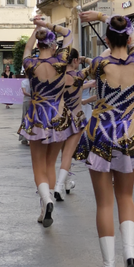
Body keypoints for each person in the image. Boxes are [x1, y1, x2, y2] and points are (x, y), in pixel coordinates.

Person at [74, 12, 134, 267]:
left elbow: (75, 79)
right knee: (126, 198)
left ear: (106, 39)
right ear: (128, 37)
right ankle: (130, 255)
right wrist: (105, 17)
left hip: (101, 134)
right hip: (130, 134)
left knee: (104, 202)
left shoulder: (99, 63)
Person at [19, 15, 78, 227]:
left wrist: (36, 29)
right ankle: (45, 204)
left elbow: (27, 48)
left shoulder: (30, 63)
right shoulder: (61, 61)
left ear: (39, 43)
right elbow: (69, 34)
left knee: (38, 166)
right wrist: (46, 25)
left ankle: (46, 201)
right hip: (59, 116)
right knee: (50, 164)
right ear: (53, 45)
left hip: (37, 117)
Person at [54, 54, 94, 201]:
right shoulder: (79, 75)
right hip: (76, 118)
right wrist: (85, 59)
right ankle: (59, 185)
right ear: (75, 60)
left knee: (62, 153)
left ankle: (65, 184)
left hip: (60, 118)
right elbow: (96, 63)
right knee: (68, 154)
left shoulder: (58, 76)